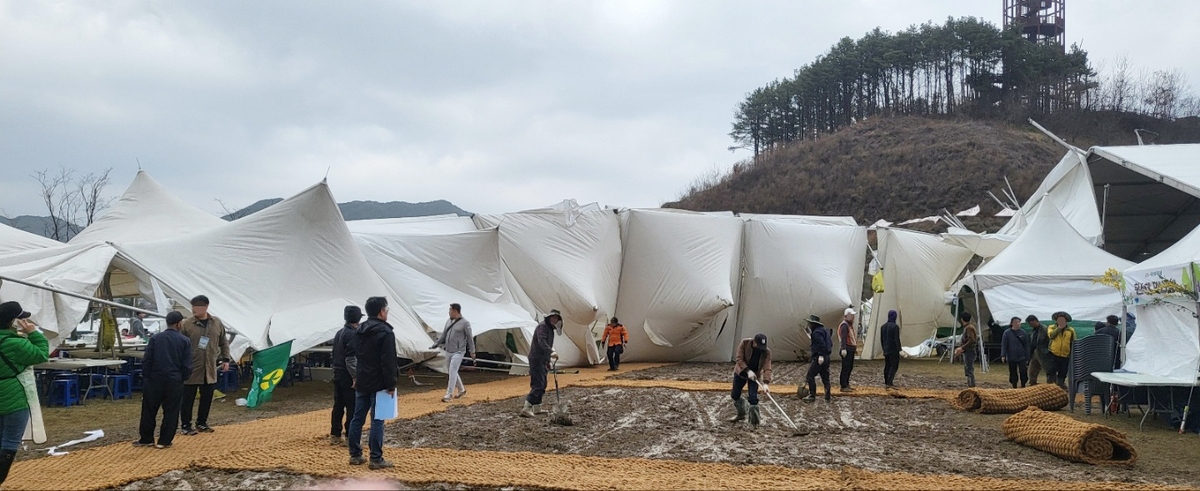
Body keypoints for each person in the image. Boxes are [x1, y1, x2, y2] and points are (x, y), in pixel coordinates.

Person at [0, 302, 48, 486]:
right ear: (12, 321)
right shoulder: (15, 343)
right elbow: (41, 354)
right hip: (15, 397)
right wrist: (33, 333)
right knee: (10, 443)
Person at [347, 297, 397, 470]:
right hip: (379, 383)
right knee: (377, 420)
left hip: (362, 380)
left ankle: (355, 454)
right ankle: (376, 458)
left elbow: (356, 356)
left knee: (357, 418)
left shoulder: (359, 330)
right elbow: (388, 362)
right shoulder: (386, 332)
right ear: (381, 312)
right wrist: (391, 384)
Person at [135, 311, 192, 449]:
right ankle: (164, 441)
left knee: (149, 410)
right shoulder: (185, 341)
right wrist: (183, 377)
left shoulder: (156, 338)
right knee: (171, 411)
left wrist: (146, 376)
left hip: (155, 379)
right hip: (174, 380)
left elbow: (147, 359)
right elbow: (187, 364)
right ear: (179, 324)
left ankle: (146, 438)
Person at [179, 295, 232, 436]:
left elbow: (223, 342)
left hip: (210, 367)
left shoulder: (217, 323)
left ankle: (202, 422)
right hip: (191, 366)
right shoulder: (186, 324)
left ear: (206, 307)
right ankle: (185, 425)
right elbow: (179, 345)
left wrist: (226, 358)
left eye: (197, 306)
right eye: (193, 306)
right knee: (188, 398)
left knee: (207, 396)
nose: (194, 309)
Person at [520, 309, 561, 418]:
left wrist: (547, 360)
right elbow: (541, 342)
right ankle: (527, 407)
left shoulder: (550, 329)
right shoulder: (542, 327)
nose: (554, 319)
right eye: (553, 317)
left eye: (556, 318)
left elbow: (546, 343)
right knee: (538, 385)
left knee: (543, 384)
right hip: (536, 359)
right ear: (549, 317)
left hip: (542, 359)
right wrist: (551, 352)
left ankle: (537, 408)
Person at [330, 305, 361, 446]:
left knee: (338, 405)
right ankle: (350, 435)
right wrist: (355, 377)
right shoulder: (354, 334)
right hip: (347, 374)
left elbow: (334, 353)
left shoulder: (339, 333)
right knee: (352, 406)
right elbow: (351, 358)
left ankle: (335, 434)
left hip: (338, 372)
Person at [431, 303, 475, 403]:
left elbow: (469, 338)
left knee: (452, 370)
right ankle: (461, 389)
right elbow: (444, 334)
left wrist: (472, 351)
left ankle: (449, 394)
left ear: (455, 311)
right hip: (449, 350)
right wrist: (436, 343)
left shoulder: (465, 323)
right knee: (452, 371)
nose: (449, 312)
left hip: (459, 351)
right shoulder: (448, 321)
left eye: (450, 310)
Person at [729, 334, 772, 426]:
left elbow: (767, 367)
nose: (760, 349)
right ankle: (741, 413)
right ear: (754, 342)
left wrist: (765, 383)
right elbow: (739, 359)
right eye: (759, 346)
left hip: (755, 376)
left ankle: (754, 423)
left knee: (753, 399)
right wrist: (748, 371)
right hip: (741, 373)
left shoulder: (766, 351)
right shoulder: (744, 343)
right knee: (735, 395)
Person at [803, 315, 833, 403]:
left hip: (819, 358)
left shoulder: (816, 333)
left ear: (813, 324)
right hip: (827, 357)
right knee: (825, 378)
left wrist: (820, 355)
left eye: (809, 323)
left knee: (810, 376)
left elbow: (820, 344)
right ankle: (828, 396)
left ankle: (812, 395)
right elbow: (829, 344)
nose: (808, 324)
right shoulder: (825, 331)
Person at [1046, 311, 1075, 389]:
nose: (1061, 321)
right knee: (1051, 372)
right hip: (1053, 354)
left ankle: (1060, 386)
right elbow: (1051, 336)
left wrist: (1072, 354)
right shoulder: (1051, 327)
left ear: (1066, 320)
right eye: (1059, 319)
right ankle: (1050, 388)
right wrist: (1059, 328)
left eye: (1062, 319)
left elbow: (1073, 342)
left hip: (1065, 355)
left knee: (1063, 373)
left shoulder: (1071, 330)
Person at [1000, 317, 1030, 389]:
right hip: (1011, 356)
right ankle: (1014, 385)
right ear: (1012, 323)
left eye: (1019, 322)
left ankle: (1023, 384)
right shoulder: (1007, 333)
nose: (1018, 324)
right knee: (1013, 372)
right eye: (1016, 322)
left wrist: (1027, 356)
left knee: (1023, 371)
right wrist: (1003, 355)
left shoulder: (1023, 333)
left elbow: (1027, 345)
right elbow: (1004, 344)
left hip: (1021, 356)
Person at [953, 311, 978, 387]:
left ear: (962, 319)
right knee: (968, 368)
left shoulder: (969, 328)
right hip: (968, 351)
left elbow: (972, 340)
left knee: (969, 370)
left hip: (969, 351)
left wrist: (962, 347)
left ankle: (971, 386)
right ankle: (970, 385)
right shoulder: (969, 327)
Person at [837, 308, 857, 392]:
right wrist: (843, 348)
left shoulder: (849, 325)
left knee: (849, 367)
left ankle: (846, 383)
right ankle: (843, 385)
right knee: (846, 367)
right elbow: (844, 337)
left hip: (850, 349)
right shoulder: (844, 325)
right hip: (847, 349)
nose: (853, 317)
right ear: (846, 316)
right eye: (851, 315)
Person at [880, 310, 901, 388]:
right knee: (894, 366)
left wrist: (883, 348)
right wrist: (899, 349)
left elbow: (882, 339)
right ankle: (890, 381)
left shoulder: (883, 326)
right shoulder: (895, 327)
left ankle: (886, 381)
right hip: (893, 350)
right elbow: (896, 339)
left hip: (886, 349)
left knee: (887, 365)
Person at [1026, 315, 1050, 385]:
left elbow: (1049, 341)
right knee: (1032, 370)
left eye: (1031, 323)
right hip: (1035, 352)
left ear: (1035, 321)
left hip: (1044, 353)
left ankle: (1051, 385)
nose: (1031, 325)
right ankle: (1032, 384)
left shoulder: (1045, 329)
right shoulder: (1033, 330)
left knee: (1048, 370)